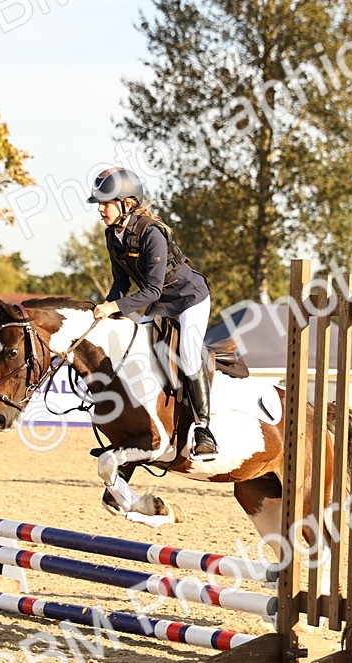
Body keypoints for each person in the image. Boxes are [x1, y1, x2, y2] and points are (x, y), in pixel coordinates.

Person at [88, 166, 218, 460]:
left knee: (186, 352)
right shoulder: (113, 235)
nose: (101, 210)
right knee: (134, 347)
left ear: (127, 202)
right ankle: (130, 425)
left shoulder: (151, 232)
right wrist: (107, 314)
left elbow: (153, 290)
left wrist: (113, 307)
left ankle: (202, 429)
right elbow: (121, 284)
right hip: (159, 301)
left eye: (105, 203)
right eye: (99, 204)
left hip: (189, 298)